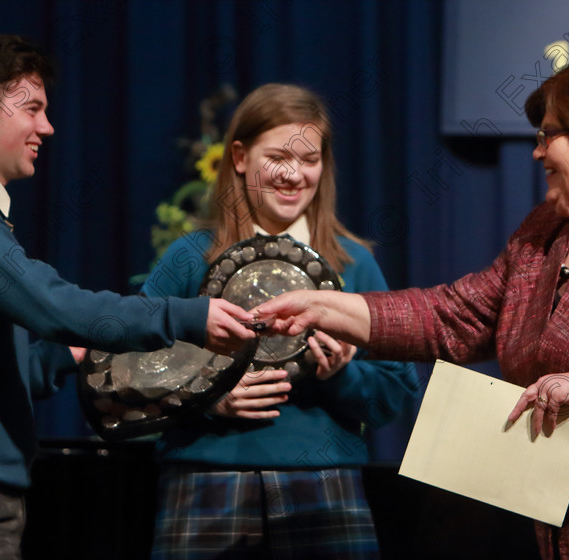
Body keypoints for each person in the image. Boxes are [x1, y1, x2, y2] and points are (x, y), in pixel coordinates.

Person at [255, 58, 569, 560]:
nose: (538, 151)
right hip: (563, 534)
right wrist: (322, 305)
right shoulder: (545, 229)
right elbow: (455, 316)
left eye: (549, 135)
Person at [0, 34, 256, 560]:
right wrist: (189, 315)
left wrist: (73, 352)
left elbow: (13, 371)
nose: (47, 127)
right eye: (32, 108)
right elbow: (56, 306)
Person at [141, 83, 419, 559]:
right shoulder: (189, 258)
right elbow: (127, 363)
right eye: (278, 158)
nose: (294, 175)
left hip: (324, 487)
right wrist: (208, 391)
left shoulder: (353, 264)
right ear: (240, 157)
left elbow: (397, 391)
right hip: (208, 482)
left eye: (309, 159)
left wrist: (342, 374)